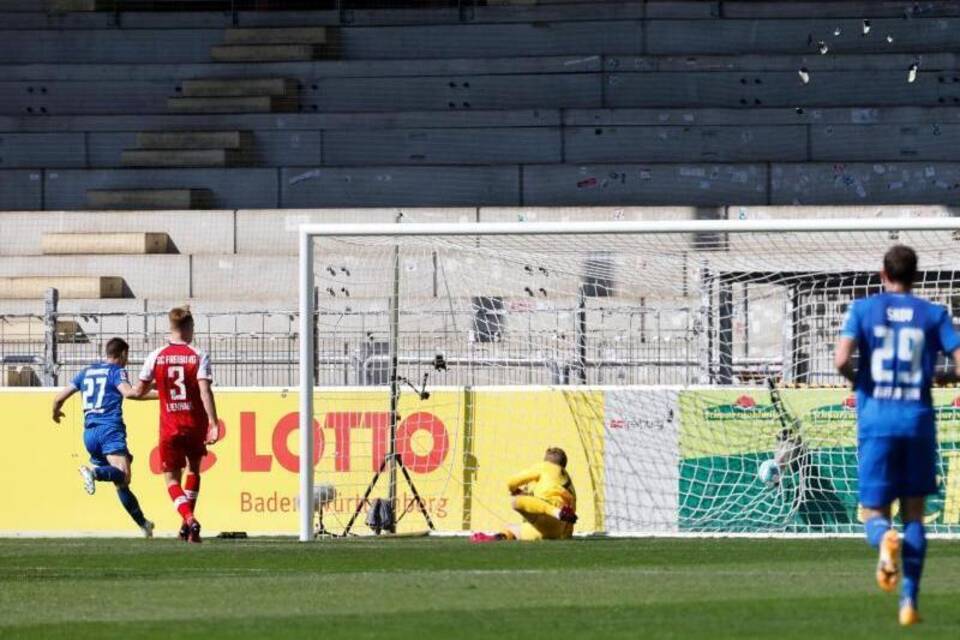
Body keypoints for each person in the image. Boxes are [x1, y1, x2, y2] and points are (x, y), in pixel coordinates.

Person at [834, 244, 960, 626]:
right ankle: (909, 602)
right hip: (916, 421)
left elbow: (841, 360)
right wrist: (941, 377)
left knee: (875, 514)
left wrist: (862, 383)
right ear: (916, 276)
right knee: (916, 517)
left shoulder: (863, 309)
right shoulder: (934, 314)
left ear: (882, 274)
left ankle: (884, 539)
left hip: (876, 421)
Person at [51, 337, 155, 537]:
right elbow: (130, 394)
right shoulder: (116, 371)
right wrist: (158, 392)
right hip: (109, 430)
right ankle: (94, 473)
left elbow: (58, 398)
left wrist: (55, 413)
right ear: (123, 354)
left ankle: (144, 524)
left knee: (121, 481)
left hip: (89, 434)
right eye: (127, 355)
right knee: (122, 474)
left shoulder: (86, 372)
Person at [136, 306, 220, 543]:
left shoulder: (156, 355)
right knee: (193, 470)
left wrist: (156, 393)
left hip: (169, 427)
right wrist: (213, 422)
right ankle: (187, 527)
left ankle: (188, 519)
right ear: (189, 327)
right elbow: (205, 390)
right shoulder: (198, 355)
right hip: (194, 424)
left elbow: (139, 391)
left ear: (171, 328)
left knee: (172, 480)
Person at [471, 447, 578, 542]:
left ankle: (556, 512)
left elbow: (511, 482)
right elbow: (571, 519)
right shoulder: (570, 485)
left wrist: (514, 490)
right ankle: (499, 537)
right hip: (555, 530)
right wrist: (565, 536)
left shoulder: (544, 467)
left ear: (545, 460)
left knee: (516, 501)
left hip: (548, 515)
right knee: (511, 528)